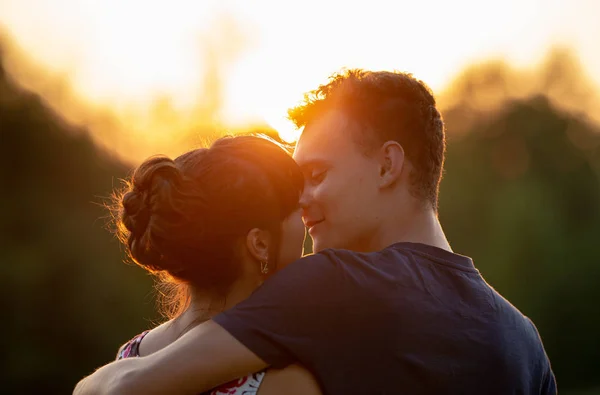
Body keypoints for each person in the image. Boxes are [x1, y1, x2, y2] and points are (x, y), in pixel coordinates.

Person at [75, 69, 556, 394]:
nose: (301, 201)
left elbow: (122, 387)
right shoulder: (525, 343)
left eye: (318, 176)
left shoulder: (333, 284)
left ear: (388, 164)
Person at [102, 135, 322, 395]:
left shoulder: (128, 360)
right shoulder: (285, 381)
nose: (306, 217)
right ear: (260, 244)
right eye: (297, 209)